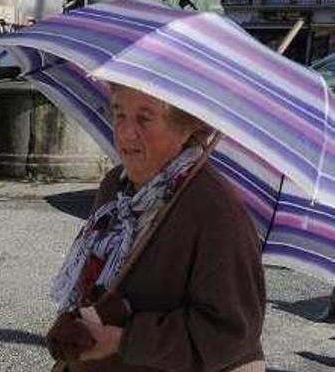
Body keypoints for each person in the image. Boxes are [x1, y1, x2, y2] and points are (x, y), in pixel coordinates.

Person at [45, 84, 265, 371]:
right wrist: (76, 321)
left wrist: (125, 340)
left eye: (144, 118)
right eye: (119, 114)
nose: (125, 132)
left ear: (187, 127)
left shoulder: (216, 211)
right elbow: (95, 279)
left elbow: (230, 333)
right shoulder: (115, 186)